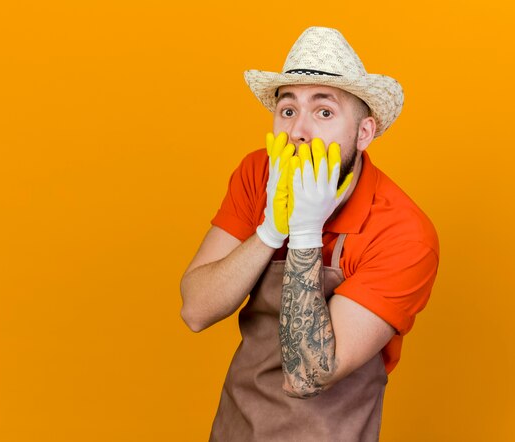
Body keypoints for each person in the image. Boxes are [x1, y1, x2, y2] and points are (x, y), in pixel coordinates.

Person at [180, 26, 439, 441]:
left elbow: (307, 376)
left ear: (364, 133)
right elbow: (195, 310)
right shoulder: (258, 175)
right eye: (287, 110)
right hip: (235, 427)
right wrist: (269, 230)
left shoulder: (403, 233)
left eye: (324, 112)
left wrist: (303, 232)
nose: (299, 131)